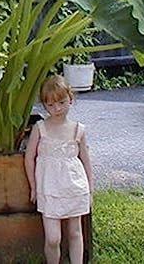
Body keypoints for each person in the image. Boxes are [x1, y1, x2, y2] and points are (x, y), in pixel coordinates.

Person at [24, 75, 93, 264]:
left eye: (62, 102)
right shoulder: (40, 128)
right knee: (53, 237)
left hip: (74, 187)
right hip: (49, 188)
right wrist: (33, 186)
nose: (57, 109)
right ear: (44, 105)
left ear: (71, 98)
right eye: (51, 105)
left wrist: (90, 189)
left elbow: (86, 161)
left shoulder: (78, 129)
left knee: (75, 231)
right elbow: (29, 157)